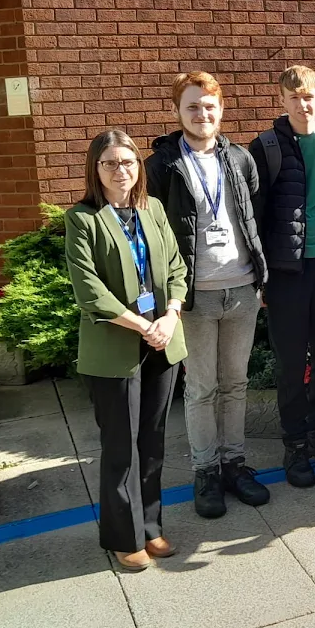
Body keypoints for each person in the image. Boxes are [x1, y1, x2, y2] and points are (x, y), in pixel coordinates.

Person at [146, 72, 270, 520]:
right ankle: (206, 471)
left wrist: (261, 279)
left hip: (241, 288)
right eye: (192, 106)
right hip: (193, 296)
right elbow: (152, 231)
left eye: (209, 106)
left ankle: (234, 464)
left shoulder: (238, 158)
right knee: (201, 388)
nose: (202, 114)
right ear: (177, 112)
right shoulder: (162, 165)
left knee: (235, 384)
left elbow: (252, 215)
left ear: (221, 109)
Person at [65, 130, 188, 571]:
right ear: (95, 169)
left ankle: (150, 527)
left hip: (161, 341)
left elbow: (176, 267)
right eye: (110, 163)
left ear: (139, 166)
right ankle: (124, 537)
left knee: (152, 443)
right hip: (114, 348)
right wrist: (141, 325)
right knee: (121, 448)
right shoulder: (83, 219)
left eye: (128, 161)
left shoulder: (152, 209)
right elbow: (89, 290)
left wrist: (170, 316)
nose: (121, 170)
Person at [249, 65, 315, 488]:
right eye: (293, 97)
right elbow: (254, 216)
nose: (302, 104)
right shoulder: (266, 146)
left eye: (308, 96)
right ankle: (294, 444)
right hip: (286, 271)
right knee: (291, 363)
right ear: (282, 100)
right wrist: (260, 275)